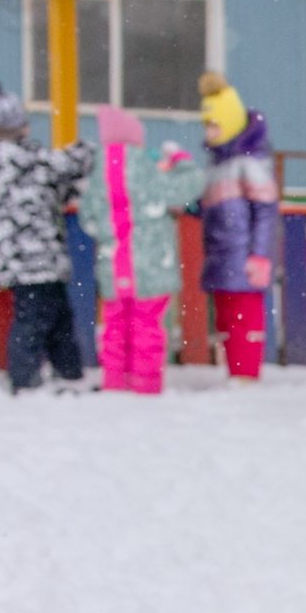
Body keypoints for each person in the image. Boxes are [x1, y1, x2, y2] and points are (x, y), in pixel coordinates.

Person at [0, 79, 95, 395]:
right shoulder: (23, 159)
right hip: (34, 256)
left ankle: (68, 374)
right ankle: (25, 380)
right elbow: (66, 165)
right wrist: (87, 147)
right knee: (36, 320)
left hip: (19, 257)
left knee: (53, 316)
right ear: (18, 128)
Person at [77, 106, 203, 396]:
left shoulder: (99, 174)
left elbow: (87, 218)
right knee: (147, 328)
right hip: (151, 267)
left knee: (114, 329)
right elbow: (187, 187)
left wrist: (111, 234)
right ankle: (145, 386)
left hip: (113, 265)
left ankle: (115, 384)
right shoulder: (145, 168)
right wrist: (182, 161)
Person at [194, 74, 278, 383]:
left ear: (229, 123)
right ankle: (235, 373)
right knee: (227, 320)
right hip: (219, 254)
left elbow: (266, 212)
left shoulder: (250, 162)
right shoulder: (217, 164)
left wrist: (260, 255)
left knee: (245, 320)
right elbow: (208, 205)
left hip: (243, 257)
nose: (208, 131)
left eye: (213, 124)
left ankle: (246, 375)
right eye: (206, 125)